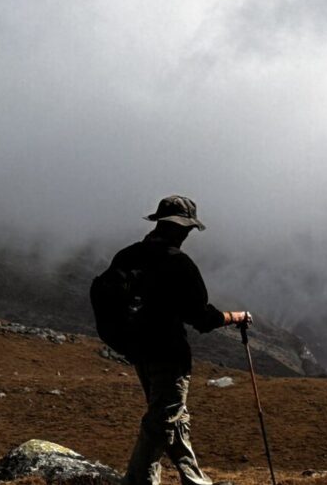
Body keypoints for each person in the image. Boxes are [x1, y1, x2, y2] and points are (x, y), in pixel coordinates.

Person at [102, 195, 251, 485]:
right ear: (180, 228)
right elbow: (202, 318)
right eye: (186, 229)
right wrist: (237, 316)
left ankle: (195, 480)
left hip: (139, 351)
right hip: (169, 354)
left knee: (172, 416)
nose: (186, 234)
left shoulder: (128, 256)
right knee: (163, 419)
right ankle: (138, 481)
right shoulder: (179, 264)